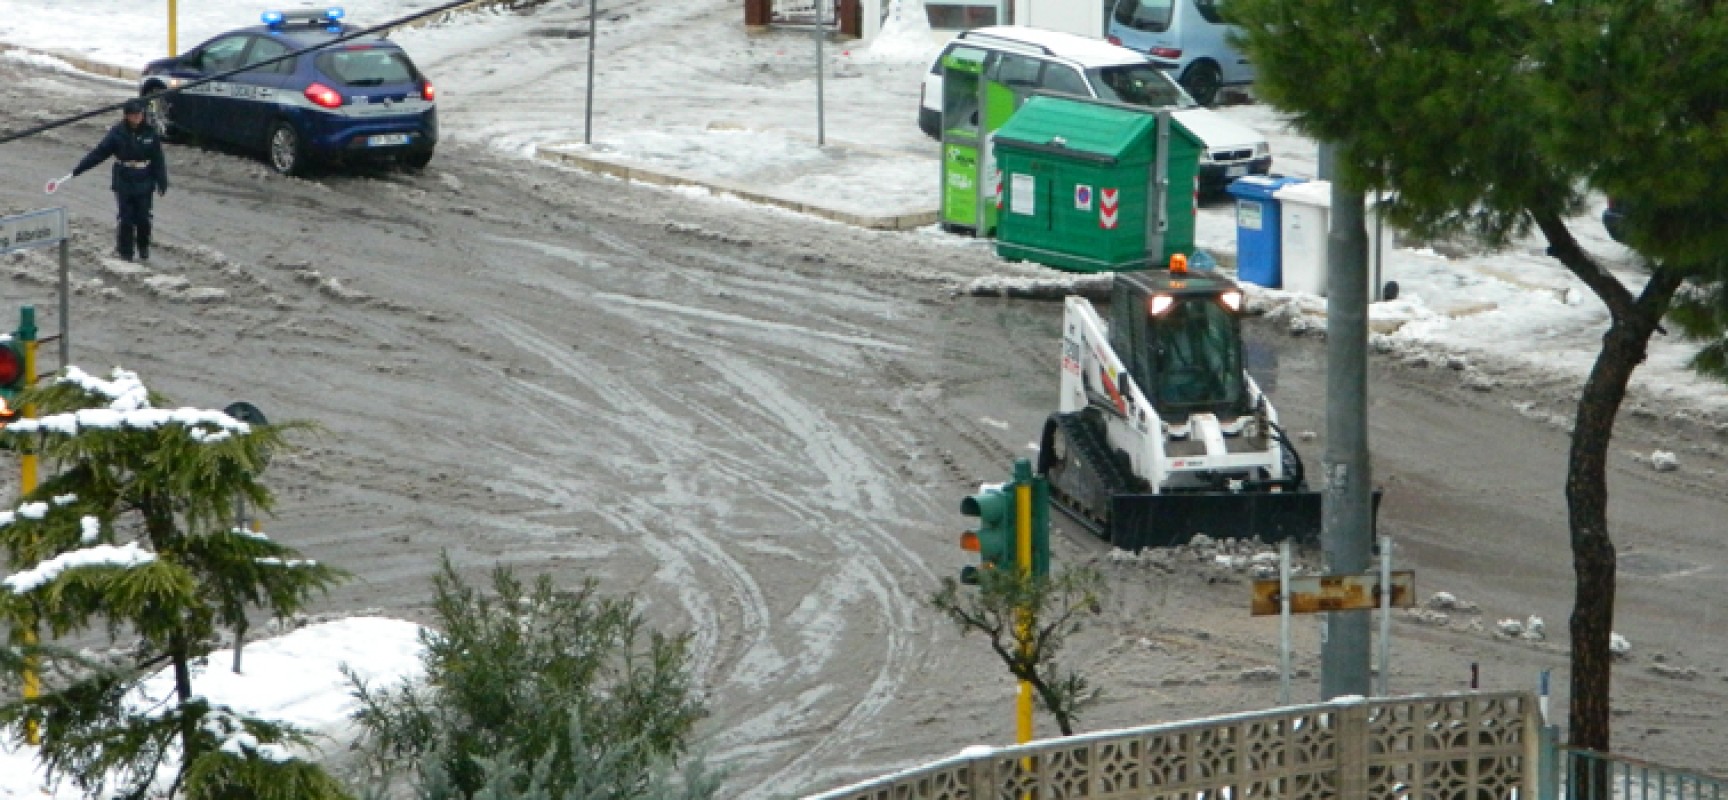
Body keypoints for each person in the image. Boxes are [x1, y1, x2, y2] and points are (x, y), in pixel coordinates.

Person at [71, 98, 169, 262]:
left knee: (144, 218)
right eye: (134, 115)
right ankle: (126, 253)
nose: (137, 117)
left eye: (139, 114)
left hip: (144, 179)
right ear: (127, 116)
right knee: (126, 218)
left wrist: (161, 181)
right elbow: (99, 153)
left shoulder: (150, 133)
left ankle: (143, 246)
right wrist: (79, 169)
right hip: (124, 179)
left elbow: (158, 159)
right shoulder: (117, 133)